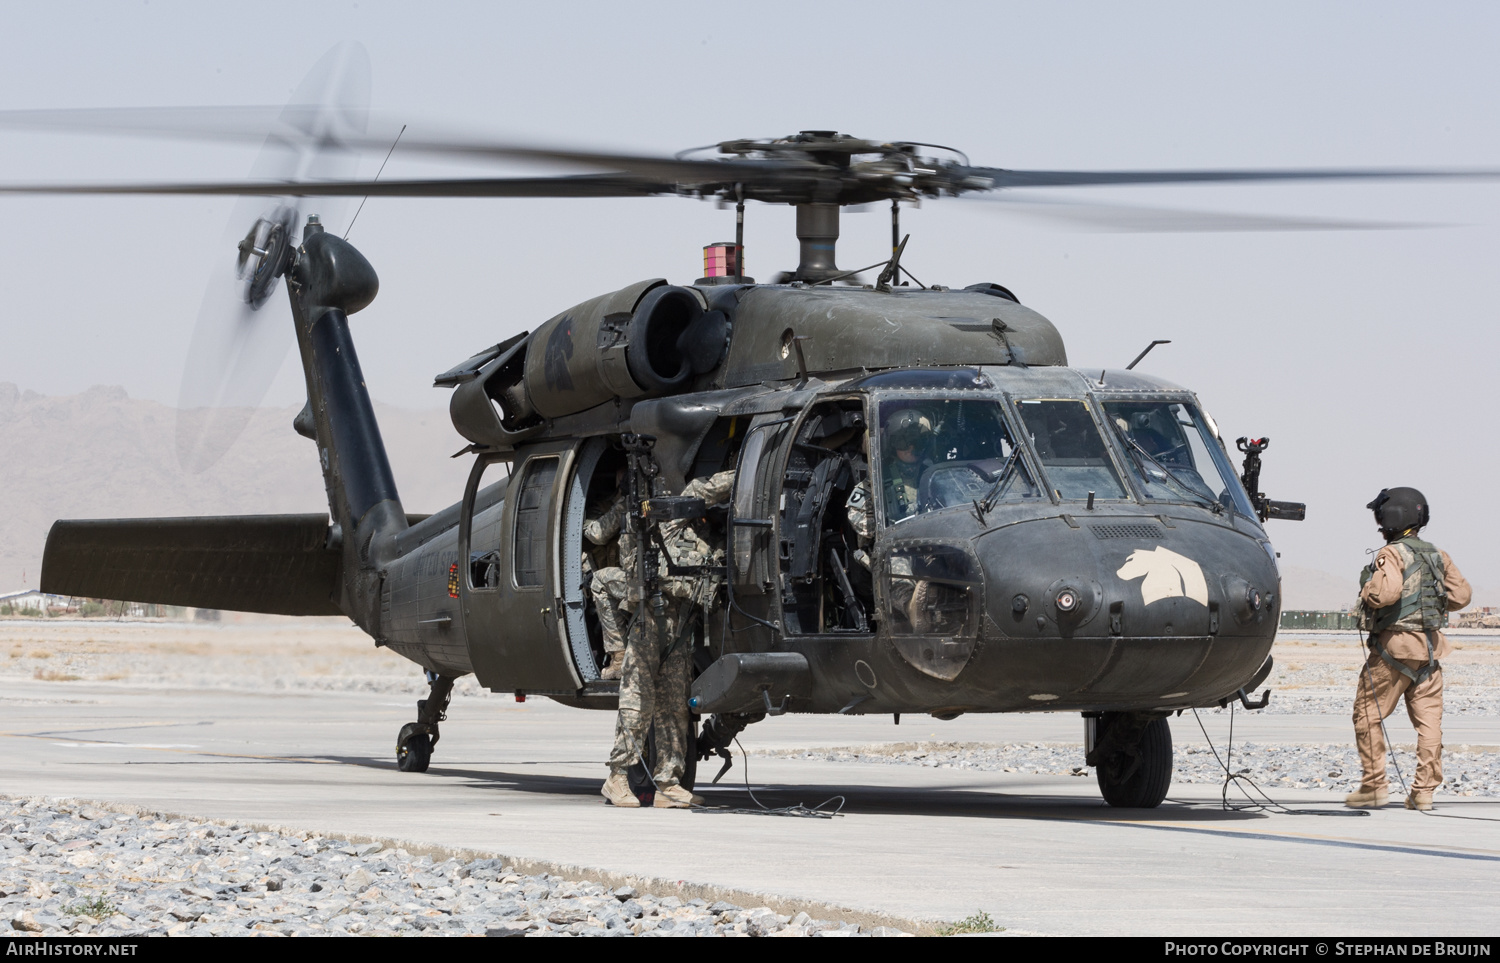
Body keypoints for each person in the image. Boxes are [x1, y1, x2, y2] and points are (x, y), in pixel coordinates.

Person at [600, 470, 733, 809]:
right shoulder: (672, 521)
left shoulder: (712, 538)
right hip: (651, 622)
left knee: (674, 708)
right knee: (637, 700)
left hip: (682, 627)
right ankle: (616, 777)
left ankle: (668, 783)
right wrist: (750, 469)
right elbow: (707, 487)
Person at [1347, 487, 1471, 811]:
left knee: (1366, 715)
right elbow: (1462, 596)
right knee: (1429, 724)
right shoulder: (1437, 555)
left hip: (1393, 651)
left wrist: (1367, 588)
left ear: (1390, 518)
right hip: (1430, 653)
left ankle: (1374, 786)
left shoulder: (1391, 554)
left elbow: (1384, 595)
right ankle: (1424, 792)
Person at [583, 470, 632, 680]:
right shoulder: (601, 508)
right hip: (613, 582)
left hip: (633, 577)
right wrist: (626, 502)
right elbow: (597, 534)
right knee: (599, 582)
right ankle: (619, 658)